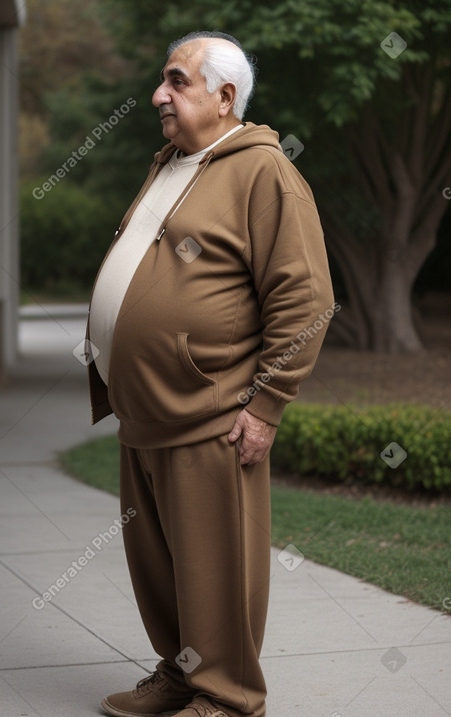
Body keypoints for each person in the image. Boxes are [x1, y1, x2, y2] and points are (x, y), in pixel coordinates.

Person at [86, 30, 334, 717]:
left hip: (213, 412)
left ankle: (227, 695)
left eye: (176, 81)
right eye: (163, 82)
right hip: (146, 408)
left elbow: (307, 297)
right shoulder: (175, 163)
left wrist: (267, 404)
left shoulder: (264, 172)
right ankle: (181, 672)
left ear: (225, 98)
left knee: (213, 563)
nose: (159, 95)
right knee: (162, 563)